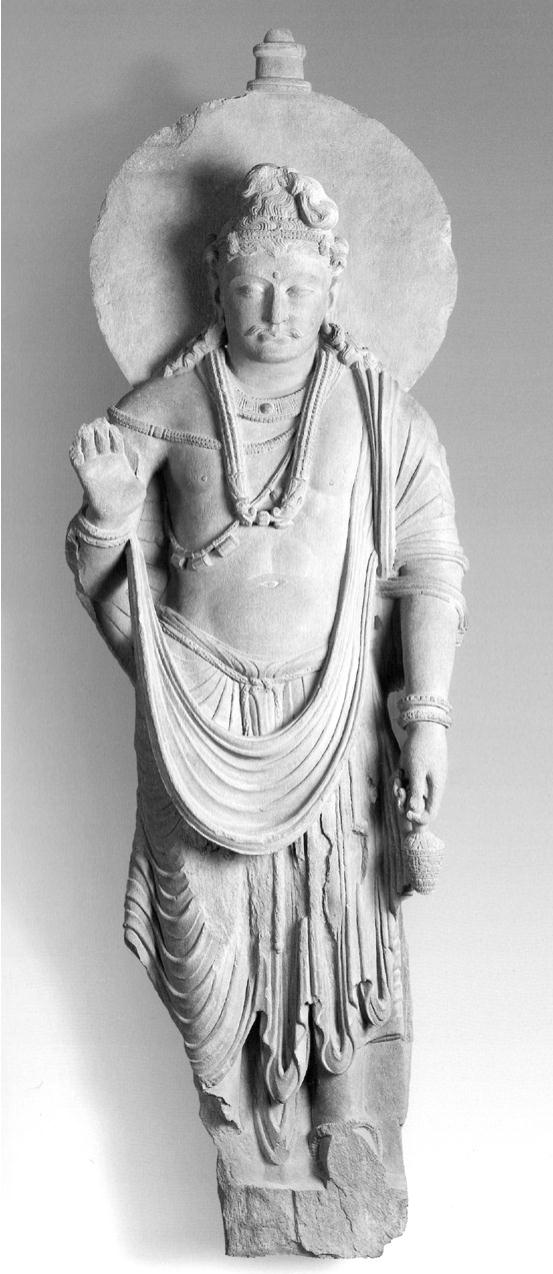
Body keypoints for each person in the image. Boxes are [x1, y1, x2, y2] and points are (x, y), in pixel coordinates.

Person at [67, 164, 466, 1170]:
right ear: (215, 284)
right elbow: (107, 571)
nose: (275, 309)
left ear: (334, 286)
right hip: (198, 708)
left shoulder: (381, 412)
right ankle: (238, 1129)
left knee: (338, 916)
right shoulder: (164, 405)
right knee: (207, 942)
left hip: (331, 711)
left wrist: (424, 715)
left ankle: (346, 1123)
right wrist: (105, 517)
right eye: (251, 284)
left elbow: (428, 567)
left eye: (297, 285)